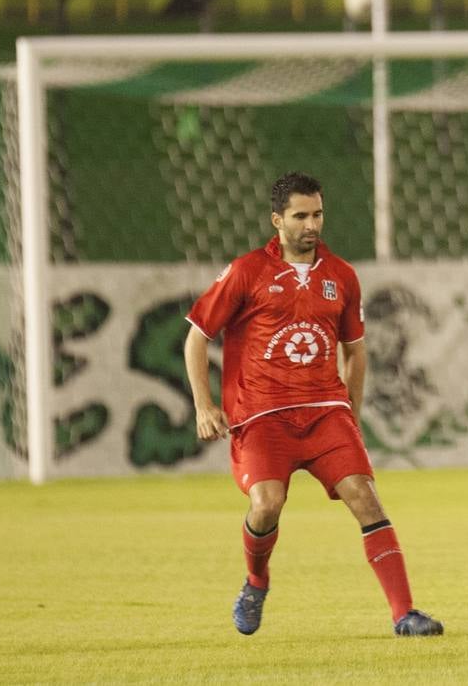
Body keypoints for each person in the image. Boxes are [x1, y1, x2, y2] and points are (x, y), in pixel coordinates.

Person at [183, 171, 443, 638]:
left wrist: (352, 417)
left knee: (364, 496)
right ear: (277, 219)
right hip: (262, 416)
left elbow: (356, 351)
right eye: (300, 216)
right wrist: (204, 406)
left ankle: (405, 614)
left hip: (326, 412)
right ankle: (256, 582)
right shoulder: (246, 272)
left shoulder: (341, 275)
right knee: (266, 504)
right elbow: (197, 337)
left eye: (317, 214)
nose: (311, 224)